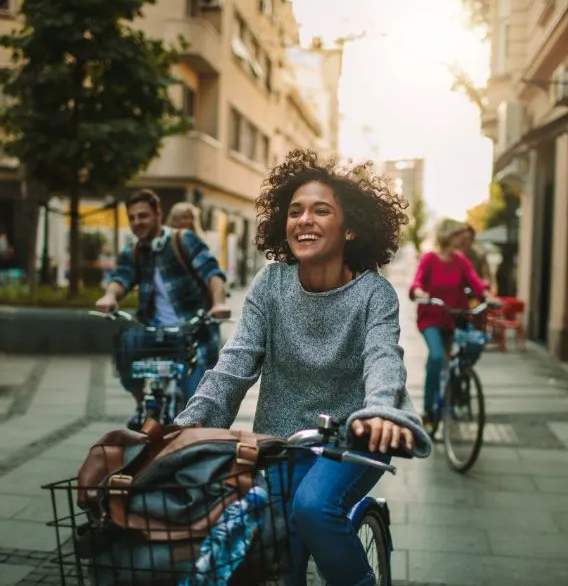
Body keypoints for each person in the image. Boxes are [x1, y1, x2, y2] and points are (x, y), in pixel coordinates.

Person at [174, 149, 431, 586]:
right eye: (295, 212)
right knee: (277, 563)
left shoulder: (374, 294)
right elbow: (235, 362)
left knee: (313, 507)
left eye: (320, 210)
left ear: (350, 228)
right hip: (282, 441)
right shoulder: (271, 284)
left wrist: (380, 412)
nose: (304, 220)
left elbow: (383, 359)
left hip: (355, 438)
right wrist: (190, 426)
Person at [95, 189, 231, 429]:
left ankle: (191, 443)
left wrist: (219, 302)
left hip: (191, 332)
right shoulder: (134, 252)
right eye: (133, 218)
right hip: (153, 330)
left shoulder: (183, 240)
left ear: (158, 214)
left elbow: (212, 273)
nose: (137, 222)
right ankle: (141, 405)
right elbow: (121, 278)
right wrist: (109, 296)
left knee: (194, 406)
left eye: (143, 216)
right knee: (125, 346)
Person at [409, 220, 490, 431]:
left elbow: (476, 283)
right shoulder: (429, 259)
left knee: (472, 347)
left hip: (455, 318)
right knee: (436, 357)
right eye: (458, 234)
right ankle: (428, 413)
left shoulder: (461, 261)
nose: (462, 238)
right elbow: (417, 283)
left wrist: (488, 296)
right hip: (431, 318)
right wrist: (420, 293)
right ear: (448, 235)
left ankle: (456, 388)